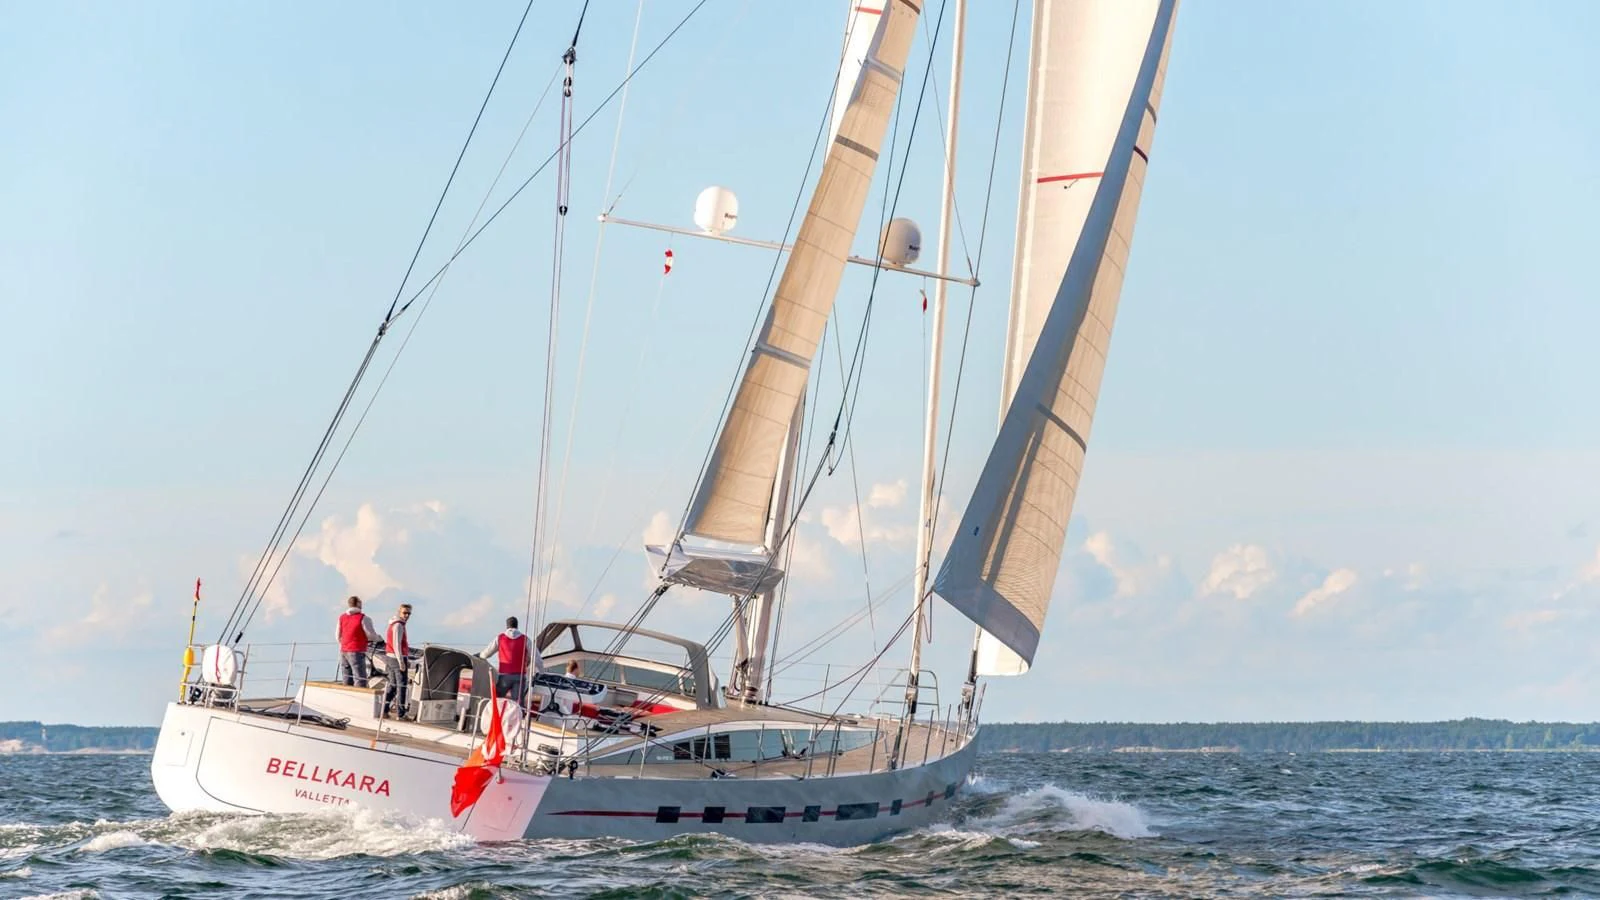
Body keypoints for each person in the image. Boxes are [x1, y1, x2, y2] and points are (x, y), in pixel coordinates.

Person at [479, 616, 542, 705]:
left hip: (504, 676)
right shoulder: (525, 639)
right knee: (517, 704)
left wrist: (480, 655)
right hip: (519, 677)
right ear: (517, 626)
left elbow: (486, 654)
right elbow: (537, 657)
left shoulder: (500, 638)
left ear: (507, 626)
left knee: (497, 700)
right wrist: (541, 672)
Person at [335, 596, 381, 687]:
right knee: (360, 678)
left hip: (344, 650)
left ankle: (347, 693)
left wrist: (344, 643)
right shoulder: (363, 618)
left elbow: (337, 635)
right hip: (357, 650)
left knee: (347, 676)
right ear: (358, 604)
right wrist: (378, 639)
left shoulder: (342, 617)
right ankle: (360, 693)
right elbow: (370, 635)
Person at [382, 604, 413, 719]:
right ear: (399, 612)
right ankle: (401, 714)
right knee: (401, 685)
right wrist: (401, 662)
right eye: (405, 613)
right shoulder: (398, 625)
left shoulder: (395, 624)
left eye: (409, 613)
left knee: (393, 685)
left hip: (391, 657)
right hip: (396, 658)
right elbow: (396, 644)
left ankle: (383, 709)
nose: (407, 615)